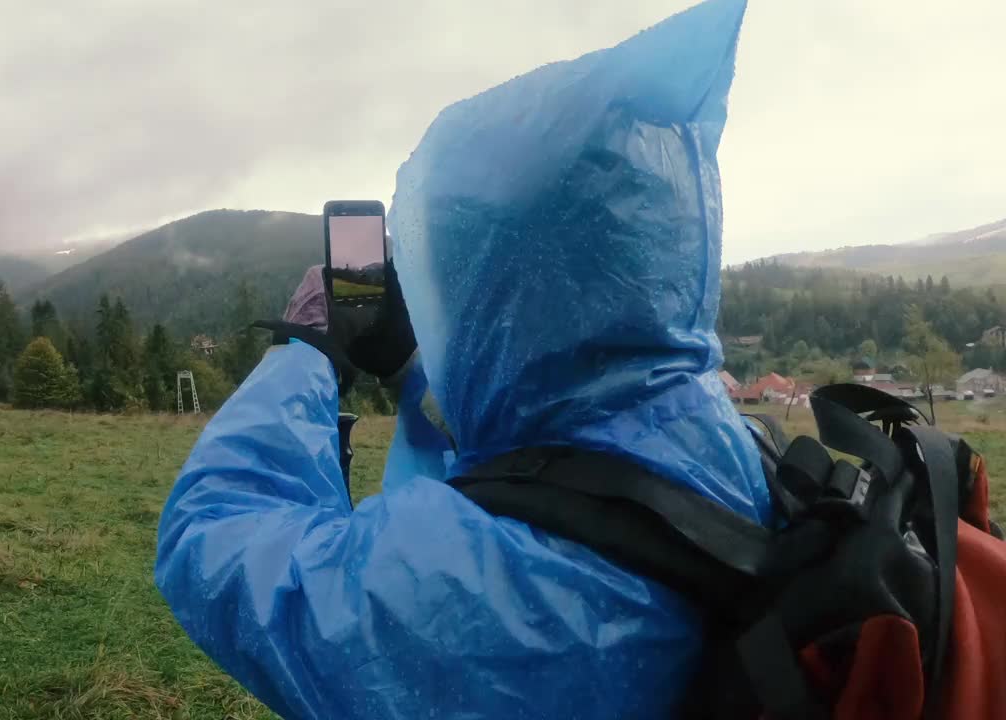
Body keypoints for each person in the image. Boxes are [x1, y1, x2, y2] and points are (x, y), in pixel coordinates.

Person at [156, 1, 764, 717]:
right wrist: (415, 374)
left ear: (488, 295)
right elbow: (532, 472)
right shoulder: (728, 449)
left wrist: (308, 348)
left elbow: (219, 535)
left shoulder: (503, 591)